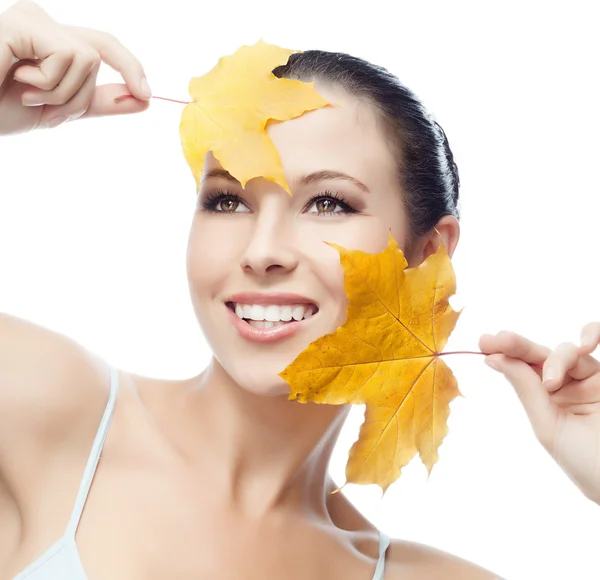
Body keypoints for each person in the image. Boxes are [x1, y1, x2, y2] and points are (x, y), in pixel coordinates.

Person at [0, 1, 598, 579]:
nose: (261, 251)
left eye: (327, 203)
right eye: (227, 200)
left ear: (429, 254)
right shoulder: (44, 410)